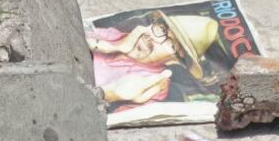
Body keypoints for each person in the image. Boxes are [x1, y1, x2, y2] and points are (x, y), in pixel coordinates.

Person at [87, 12, 221, 110]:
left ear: (176, 60)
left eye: (171, 44)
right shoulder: (115, 36)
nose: (155, 39)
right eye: (161, 29)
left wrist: (111, 95)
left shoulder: (152, 85)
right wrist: (116, 47)